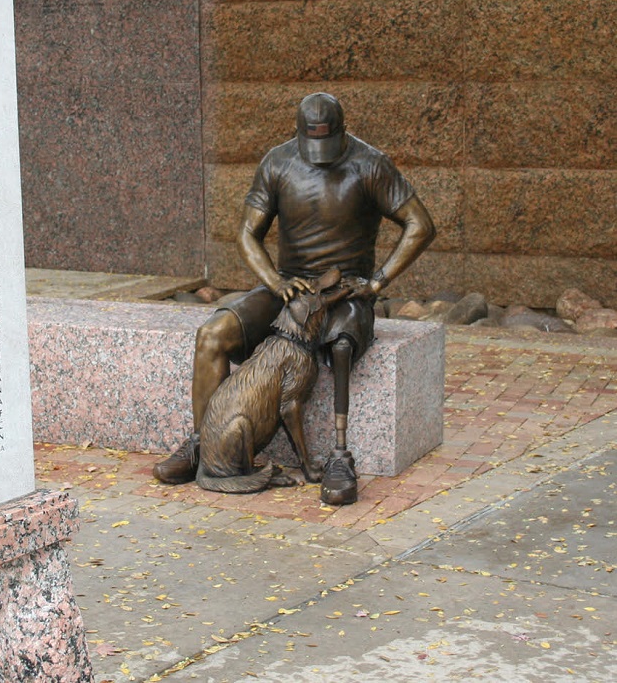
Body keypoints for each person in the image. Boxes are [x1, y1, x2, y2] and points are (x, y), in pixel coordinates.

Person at [153, 92, 436, 504]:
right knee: (213, 334)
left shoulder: (370, 164)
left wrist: (376, 283)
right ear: (299, 135)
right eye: (312, 146)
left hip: (343, 291)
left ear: (343, 131)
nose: (320, 157)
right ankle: (204, 444)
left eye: (328, 145)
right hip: (288, 288)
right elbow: (247, 233)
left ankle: (339, 456)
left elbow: (420, 224)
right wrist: (273, 281)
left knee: (340, 345)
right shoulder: (277, 162)